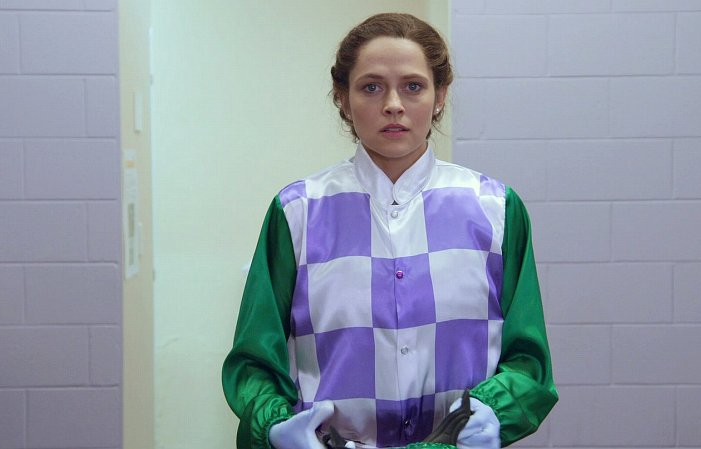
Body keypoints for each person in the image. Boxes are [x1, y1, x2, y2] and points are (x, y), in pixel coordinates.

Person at [222, 12, 557, 449]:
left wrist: (495, 411)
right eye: (371, 87)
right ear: (343, 98)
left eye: (413, 86)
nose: (394, 104)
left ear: (440, 96)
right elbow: (254, 361)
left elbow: (528, 359)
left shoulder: (496, 209)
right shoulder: (297, 211)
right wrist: (273, 425)